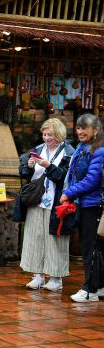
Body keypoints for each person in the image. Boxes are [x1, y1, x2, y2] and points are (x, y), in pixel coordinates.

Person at [18, 118, 73, 292]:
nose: (46, 138)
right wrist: (28, 165)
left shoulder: (68, 152)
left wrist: (49, 166)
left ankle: (56, 278)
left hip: (57, 201)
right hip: (37, 199)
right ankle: (37, 276)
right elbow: (24, 173)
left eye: (50, 134)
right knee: (35, 237)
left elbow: (65, 178)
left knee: (55, 240)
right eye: (44, 134)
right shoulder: (37, 150)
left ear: (59, 135)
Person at [61, 114, 103, 303]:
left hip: (94, 204)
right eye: (78, 128)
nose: (80, 132)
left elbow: (92, 180)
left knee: (91, 248)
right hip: (85, 203)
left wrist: (70, 193)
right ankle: (99, 286)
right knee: (94, 248)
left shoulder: (100, 150)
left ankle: (89, 289)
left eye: (84, 128)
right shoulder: (82, 147)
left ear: (96, 130)